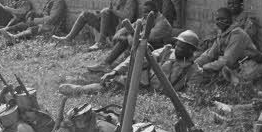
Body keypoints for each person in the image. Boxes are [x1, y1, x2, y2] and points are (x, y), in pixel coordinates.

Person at [60, 30, 200, 95]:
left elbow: (190, 94)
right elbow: (142, 59)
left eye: (183, 47)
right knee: (113, 82)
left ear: (191, 51)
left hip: (159, 94)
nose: (179, 48)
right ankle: (79, 90)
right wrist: (116, 71)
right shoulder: (166, 51)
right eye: (178, 44)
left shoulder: (195, 70)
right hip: (144, 83)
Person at [189, 7, 262, 86]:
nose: (219, 22)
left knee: (241, 82)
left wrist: (204, 67)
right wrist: (195, 65)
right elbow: (210, 55)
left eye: (222, 19)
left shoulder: (237, 34)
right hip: (234, 65)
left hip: (247, 64)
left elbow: (227, 61)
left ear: (230, 19)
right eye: (217, 19)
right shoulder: (222, 33)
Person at [54, 0, 140, 51]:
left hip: (120, 29)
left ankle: (101, 43)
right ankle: (68, 38)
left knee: (106, 11)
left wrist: (110, 11)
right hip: (108, 28)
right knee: (86, 14)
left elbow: (128, 17)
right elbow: (109, 14)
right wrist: (100, 14)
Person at [84, 0, 173, 73]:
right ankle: (108, 64)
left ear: (156, 12)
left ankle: (108, 64)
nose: (145, 14)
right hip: (147, 44)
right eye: (144, 12)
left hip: (158, 51)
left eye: (147, 12)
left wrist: (128, 36)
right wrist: (118, 34)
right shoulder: (148, 17)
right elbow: (131, 26)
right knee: (125, 39)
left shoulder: (162, 24)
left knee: (125, 40)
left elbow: (143, 39)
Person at [0, 0, 68, 44]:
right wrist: (34, 14)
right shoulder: (52, 1)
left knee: (32, 28)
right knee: (23, 24)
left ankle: (14, 37)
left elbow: (52, 18)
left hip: (54, 27)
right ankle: (3, 31)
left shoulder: (58, 2)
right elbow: (45, 14)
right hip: (46, 23)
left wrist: (36, 20)